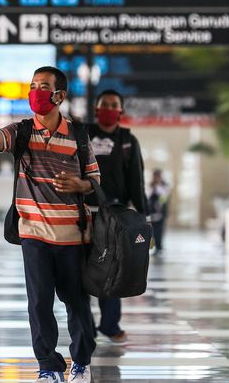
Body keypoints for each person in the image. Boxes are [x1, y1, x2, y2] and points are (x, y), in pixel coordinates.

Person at [0, 66, 99, 383]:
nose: (36, 91)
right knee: (39, 302)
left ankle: (81, 362)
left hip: (73, 234)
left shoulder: (79, 136)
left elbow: (95, 180)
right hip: (34, 233)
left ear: (60, 95)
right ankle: (48, 365)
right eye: (32, 85)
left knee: (76, 302)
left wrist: (79, 185)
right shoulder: (22, 131)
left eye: (43, 86)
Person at [86, 90, 147, 345]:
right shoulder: (82, 134)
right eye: (105, 105)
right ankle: (85, 327)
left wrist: (142, 218)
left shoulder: (127, 141)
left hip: (115, 218)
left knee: (112, 269)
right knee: (80, 271)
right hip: (83, 213)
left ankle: (110, 324)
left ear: (120, 111)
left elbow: (136, 179)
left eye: (114, 105)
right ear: (96, 109)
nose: (109, 109)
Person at [148, 169, 171, 253]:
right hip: (152, 212)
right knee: (153, 230)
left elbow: (164, 198)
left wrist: (159, 205)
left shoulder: (163, 186)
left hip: (160, 212)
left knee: (159, 230)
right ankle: (155, 246)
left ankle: (159, 247)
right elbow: (148, 196)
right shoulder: (151, 185)